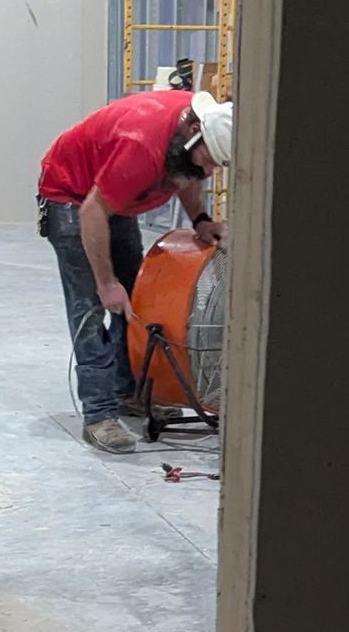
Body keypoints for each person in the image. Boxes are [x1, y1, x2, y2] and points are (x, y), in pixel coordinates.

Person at [36, 86, 233, 452]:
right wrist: (106, 282)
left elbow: (187, 174)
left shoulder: (190, 135)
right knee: (93, 307)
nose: (207, 170)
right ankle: (98, 416)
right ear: (193, 134)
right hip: (72, 197)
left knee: (135, 300)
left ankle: (129, 393)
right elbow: (92, 212)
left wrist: (201, 220)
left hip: (114, 200)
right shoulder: (141, 147)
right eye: (208, 160)